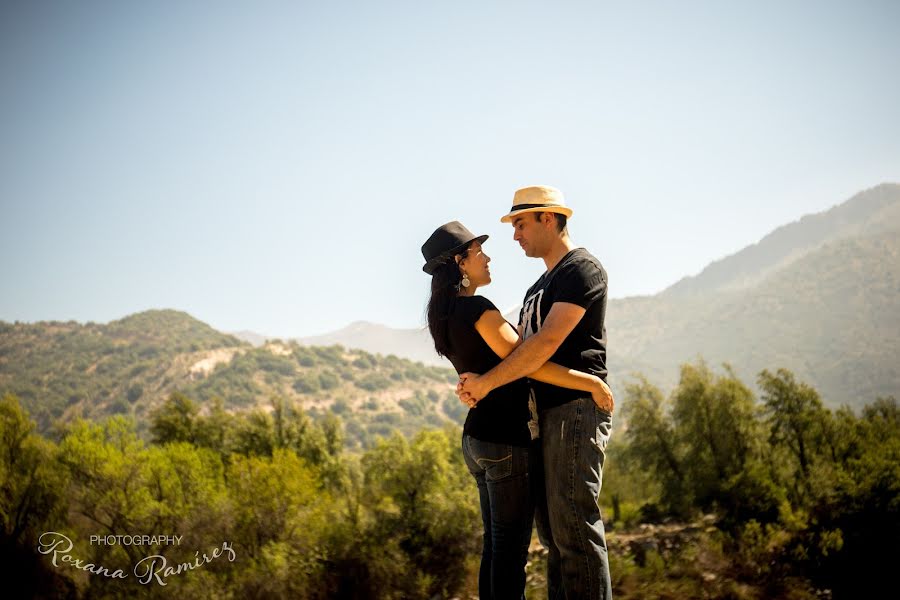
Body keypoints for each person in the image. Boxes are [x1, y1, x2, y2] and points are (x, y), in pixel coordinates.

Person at [421, 221, 613, 600]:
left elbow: (485, 366)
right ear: (460, 262)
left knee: (495, 546)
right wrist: (589, 381)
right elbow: (528, 361)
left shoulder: (444, 316)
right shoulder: (478, 309)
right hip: (504, 438)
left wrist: (479, 382)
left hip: (476, 439)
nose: (488, 258)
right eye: (479, 253)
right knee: (509, 551)